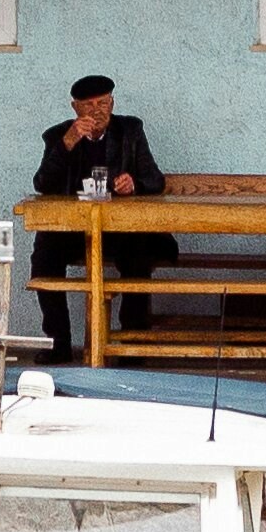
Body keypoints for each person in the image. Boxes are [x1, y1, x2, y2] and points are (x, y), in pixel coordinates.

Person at [31, 76, 171, 364]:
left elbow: (155, 179)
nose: (97, 111)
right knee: (44, 255)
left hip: (119, 230)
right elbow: (43, 183)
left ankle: (131, 343)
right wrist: (67, 143)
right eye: (89, 105)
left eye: (103, 103)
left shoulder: (130, 131)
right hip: (74, 230)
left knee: (138, 256)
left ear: (112, 103)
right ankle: (59, 343)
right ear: (75, 108)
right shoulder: (59, 135)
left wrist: (134, 185)